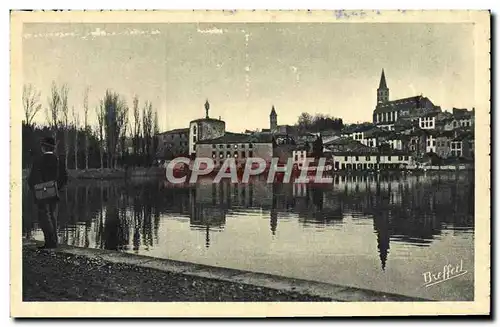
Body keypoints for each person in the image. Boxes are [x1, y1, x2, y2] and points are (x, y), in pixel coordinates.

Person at [27, 136, 68, 249]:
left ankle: (50, 243)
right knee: (53, 217)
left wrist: (38, 189)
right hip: (54, 193)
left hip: (41, 193)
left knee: (44, 217)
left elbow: (31, 180)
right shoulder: (59, 160)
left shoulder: (38, 160)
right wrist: (55, 188)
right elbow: (64, 178)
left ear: (43, 148)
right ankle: (54, 242)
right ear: (53, 148)